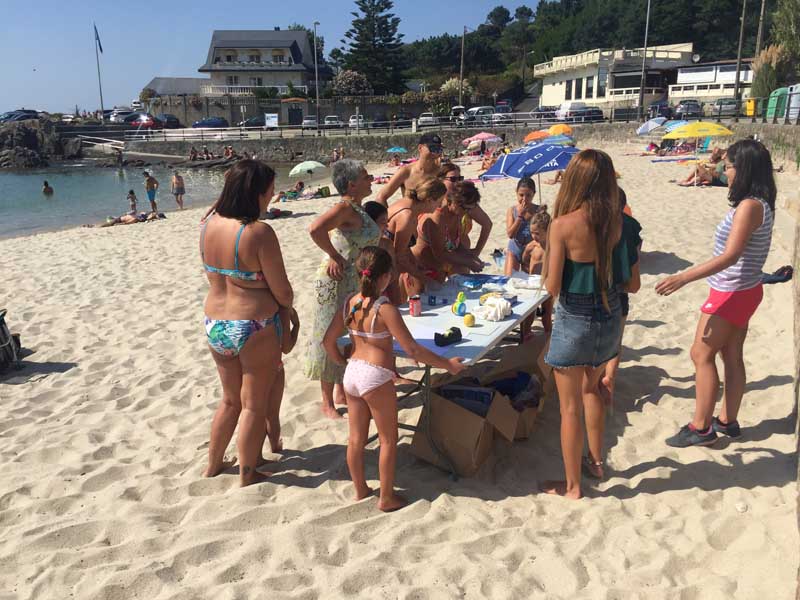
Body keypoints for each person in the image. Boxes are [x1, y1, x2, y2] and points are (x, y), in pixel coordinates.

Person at [323, 246, 465, 511]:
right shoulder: (384, 308)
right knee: (389, 438)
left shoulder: (350, 303)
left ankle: (361, 489)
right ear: (386, 277)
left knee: (356, 438)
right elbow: (412, 349)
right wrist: (448, 364)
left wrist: (343, 361)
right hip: (375, 375)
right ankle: (386, 497)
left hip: (353, 372)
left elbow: (327, 342)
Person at [656, 139, 776, 447]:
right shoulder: (760, 202)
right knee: (731, 354)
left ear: (744, 169)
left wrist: (683, 277)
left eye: (730, 165)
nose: (725, 171)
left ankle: (701, 427)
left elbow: (730, 256)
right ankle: (727, 421)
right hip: (747, 288)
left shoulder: (750, 206)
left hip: (732, 290)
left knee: (701, 354)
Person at [540, 149, 630, 499]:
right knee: (592, 390)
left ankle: (573, 486)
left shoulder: (562, 225)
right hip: (608, 317)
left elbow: (552, 287)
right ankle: (596, 462)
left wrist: (549, 253)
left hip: (575, 318)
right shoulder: (616, 221)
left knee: (569, 408)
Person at [200, 160, 294, 486]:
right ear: (256, 193)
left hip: (215, 322)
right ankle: (247, 472)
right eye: (269, 192)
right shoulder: (259, 233)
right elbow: (282, 290)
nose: (271, 197)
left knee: (229, 400)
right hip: (253, 324)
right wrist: (288, 308)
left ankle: (213, 465)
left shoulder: (208, 225)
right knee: (253, 405)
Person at [304, 160, 381, 419]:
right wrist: (333, 256)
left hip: (351, 279)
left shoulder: (357, 209)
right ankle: (327, 402)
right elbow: (315, 229)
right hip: (335, 279)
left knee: (346, 331)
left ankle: (339, 392)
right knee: (329, 333)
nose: (370, 179)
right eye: (365, 176)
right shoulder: (344, 207)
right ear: (352, 184)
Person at [602, 188, 642, 404]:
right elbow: (637, 252)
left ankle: (598, 377)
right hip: (622, 288)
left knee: (598, 340)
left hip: (598, 288)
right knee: (615, 341)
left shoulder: (598, 224)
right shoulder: (630, 224)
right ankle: (610, 378)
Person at [410, 181, 484, 288]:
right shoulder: (437, 218)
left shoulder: (457, 214)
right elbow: (440, 254)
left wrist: (471, 257)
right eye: (465, 208)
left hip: (439, 269)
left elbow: (455, 245)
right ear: (453, 202)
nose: (467, 212)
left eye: (470, 209)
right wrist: (469, 263)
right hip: (421, 270)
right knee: (419, 303)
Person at [385, 177, 446, 298]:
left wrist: (417, 266)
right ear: (429, 200)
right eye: (439, 201)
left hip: (389, 265)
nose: (441, 205)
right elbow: (399, 256)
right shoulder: (407, 216)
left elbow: (403, 249)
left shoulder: (409, 205)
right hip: (385, 269)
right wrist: (423, 278)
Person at [438, 162, 493, 259]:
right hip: (439, 256)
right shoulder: (434, 202)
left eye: (460, 179)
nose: (457, 183)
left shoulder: (466, 202)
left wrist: (477, 251)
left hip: (462, 254)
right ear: (441, 180)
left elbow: (487, 224)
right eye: (453, 179)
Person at [374, 133, 443, 206]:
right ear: (420, 148)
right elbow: (381, 196)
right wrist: (385, 217)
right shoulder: (406, 172)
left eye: (439, 149)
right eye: (432, 149)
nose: (435, 153)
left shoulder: (442, 171)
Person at [504, 177, 540, 275]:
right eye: (521, 195)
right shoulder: (512, 210)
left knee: (531, 282)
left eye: (528, 195)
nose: (524, 199)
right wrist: (520, 217)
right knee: (509, 280)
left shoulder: (539, 211)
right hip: (515, 247)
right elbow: (510, 234)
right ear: (516, 192)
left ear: (534, 194)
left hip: (531, 249)